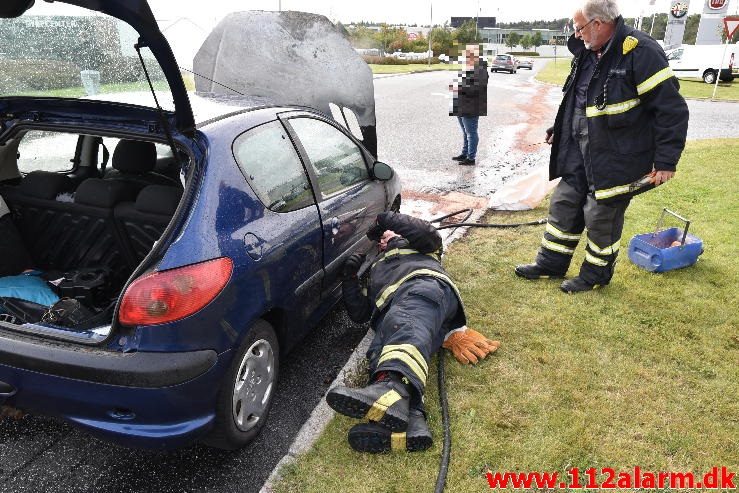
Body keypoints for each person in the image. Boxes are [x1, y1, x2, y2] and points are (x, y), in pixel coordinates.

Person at [515, 0, 689, 293]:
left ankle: (595, 275)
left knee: (601, 216)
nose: (576, 34)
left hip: (616, 157)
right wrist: (559, 129)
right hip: (578, 151)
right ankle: (550, 264)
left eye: (579, 27)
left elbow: (671, 110)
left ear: (599, 24)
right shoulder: (586, 52)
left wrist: (667, 160)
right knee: (564, 204)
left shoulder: (640, 52)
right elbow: (578, 98)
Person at [326, 212, 500, 453]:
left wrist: (385, 220)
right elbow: (360, 314)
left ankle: (392, 389)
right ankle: (412, 424)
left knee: (403, 326)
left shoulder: (424, 248)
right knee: (380, 351)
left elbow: (425, 231)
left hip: (422, 289)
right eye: (380, 241)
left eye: (386, 236)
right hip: (400, 314)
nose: (382, 241)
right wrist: (350, 279)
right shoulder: (380, 265)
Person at [449, 44, 488, 166]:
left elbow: (476, 89)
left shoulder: (481, 70)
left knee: (471, 132)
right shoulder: (470, 68)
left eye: (469, 55)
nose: (466, 57)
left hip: (471, 107)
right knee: (465, 132)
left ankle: (471, 158)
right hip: (462, 105)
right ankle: (464, 153)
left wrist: (460, 88)